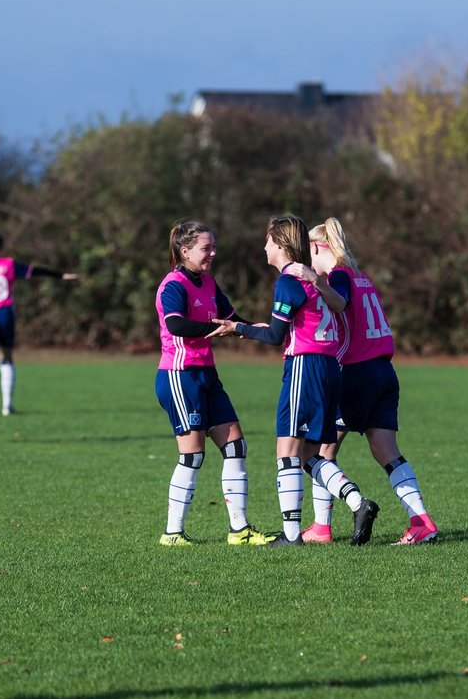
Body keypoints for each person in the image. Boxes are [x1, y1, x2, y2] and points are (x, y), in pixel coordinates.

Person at [212, 214, 380, 546]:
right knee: (310, 455)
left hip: (305, 367)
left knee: (286, 451)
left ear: (279, 245)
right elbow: (294, 324)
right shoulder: (315, 279)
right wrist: (247, 328)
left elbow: (276, 336)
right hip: (329, 367)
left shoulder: (289, 281)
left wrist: (239, 328)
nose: (264, 247)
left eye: (267, 241)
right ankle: (358, 503)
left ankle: (291, 535)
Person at [296, 217, 438, 545]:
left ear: (319, 248)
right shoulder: (362, 277)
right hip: (384, 373)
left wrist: (315, 281)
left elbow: (339, 300)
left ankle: (322, 526)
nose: (308, 262)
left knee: (315, 450)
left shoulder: (340, 275)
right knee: (385, 450)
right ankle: (421, 522)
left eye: (309, 254)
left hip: (357, 373)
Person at [152, 220, 276, 546]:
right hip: (181, 377)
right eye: (206, 248)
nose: (213, 253)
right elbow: (177, 325)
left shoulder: (208, 282)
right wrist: (216, 327)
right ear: (185, 251)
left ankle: (240, 531)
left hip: (207, 374)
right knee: (193, 456)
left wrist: (258, 330)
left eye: (213, 247)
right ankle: (173, 533)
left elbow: (231, 320)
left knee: (236, 445)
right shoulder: (173, 285)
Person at [0, 233, 79, 417]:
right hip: (4, 313)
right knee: (6, 357)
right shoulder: (8, 264)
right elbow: (35, 271)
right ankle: (7, 405)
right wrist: (60, 275)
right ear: (0, 247)